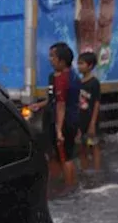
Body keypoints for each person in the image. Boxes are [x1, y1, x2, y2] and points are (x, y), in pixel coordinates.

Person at [30, 42, 81, 191]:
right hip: (58, 119)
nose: (50, 59)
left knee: (66, 157)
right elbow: (53, 100)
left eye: (53, 56)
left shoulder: (65, 79)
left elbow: (61, 105)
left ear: (62, 60)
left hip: (63, 121)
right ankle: (61, 185)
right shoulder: (55, 77)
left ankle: (70, 189)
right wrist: (39, 105)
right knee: (56, 155)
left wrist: (59, 130)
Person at [77, 51, 102, 173]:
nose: (79, 66)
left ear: (90, 66)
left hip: (90, 120)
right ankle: (84, 170)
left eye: (82, 64)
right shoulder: (79, 82)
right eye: (78, 63)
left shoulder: (94, 83)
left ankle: (96, 171)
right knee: (82, 146)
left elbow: (97, 103)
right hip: (80, 120)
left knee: (93, 145)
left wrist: (92, 123)